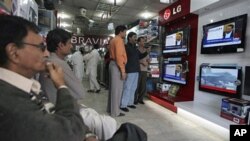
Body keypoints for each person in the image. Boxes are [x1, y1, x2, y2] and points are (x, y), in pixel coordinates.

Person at [0, 15, 95, 141]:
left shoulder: (25, 86)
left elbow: (49, 109)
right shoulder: (11, 105)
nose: (45, 53)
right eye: (40, 47)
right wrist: (61, 85)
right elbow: (69, 133)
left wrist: (88, 134)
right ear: (14, 52)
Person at [39, 28, 116, 140]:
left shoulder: (49, 61)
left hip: (55, 108)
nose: (71, 46)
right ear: (60, 45)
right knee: (109, 122)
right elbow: (80, 93)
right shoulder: (58, 64)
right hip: (61, 112)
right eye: (69, 43)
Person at [120, 32, 148, 112]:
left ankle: (130, 103)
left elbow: (140, 56)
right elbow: (122, 59)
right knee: (127, 88)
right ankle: (123, 105)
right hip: (129, 70)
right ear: (129, 38)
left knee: (133, 88)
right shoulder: (126, 47)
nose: (136, 38)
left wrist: (147, 52)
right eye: (134, 37)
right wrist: (123, 70)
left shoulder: (135, 48)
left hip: (136, 70)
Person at [107, 25, 127, 117]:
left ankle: (110, 109)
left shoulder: (113, 40)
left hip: (113, 64)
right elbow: (119, 56)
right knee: (117, 90)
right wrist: (122, 70)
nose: (125, 34)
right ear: (121, 32)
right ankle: (115, 112)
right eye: (125, 32)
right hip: (117, 65)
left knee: (113, 89)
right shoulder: (119, 40)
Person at [135, 37, 150, 105]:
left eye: (144, 41)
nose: (143, 42)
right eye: (142, 41)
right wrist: (141, 62)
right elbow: (134, 59)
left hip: (144, 70)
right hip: (137, 70)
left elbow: (148, 59)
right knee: (136, 85)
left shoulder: (146, 50)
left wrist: (148, 62)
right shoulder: (136, 50)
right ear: (138, 42)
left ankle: (140, 99)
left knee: (143, 86)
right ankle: (134, 99)